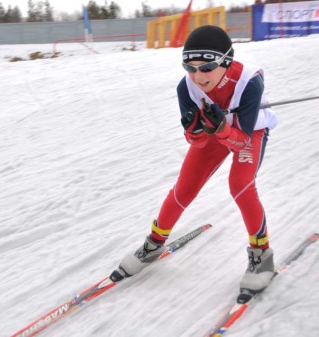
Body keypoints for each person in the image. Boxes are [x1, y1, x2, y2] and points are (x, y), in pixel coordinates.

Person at [111, 25, 278, 293]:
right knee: (185, 187)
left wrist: (221, 128)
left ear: (226, 61)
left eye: (206, 67)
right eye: (190, 67)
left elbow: (242, 140)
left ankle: (262, 256)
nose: (198, 76)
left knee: (240, 185)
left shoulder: (249, 82)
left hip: (250, 131)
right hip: (219, 131)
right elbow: (195, 141)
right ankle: (154, 243)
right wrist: (195, 129)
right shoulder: (186, 88)